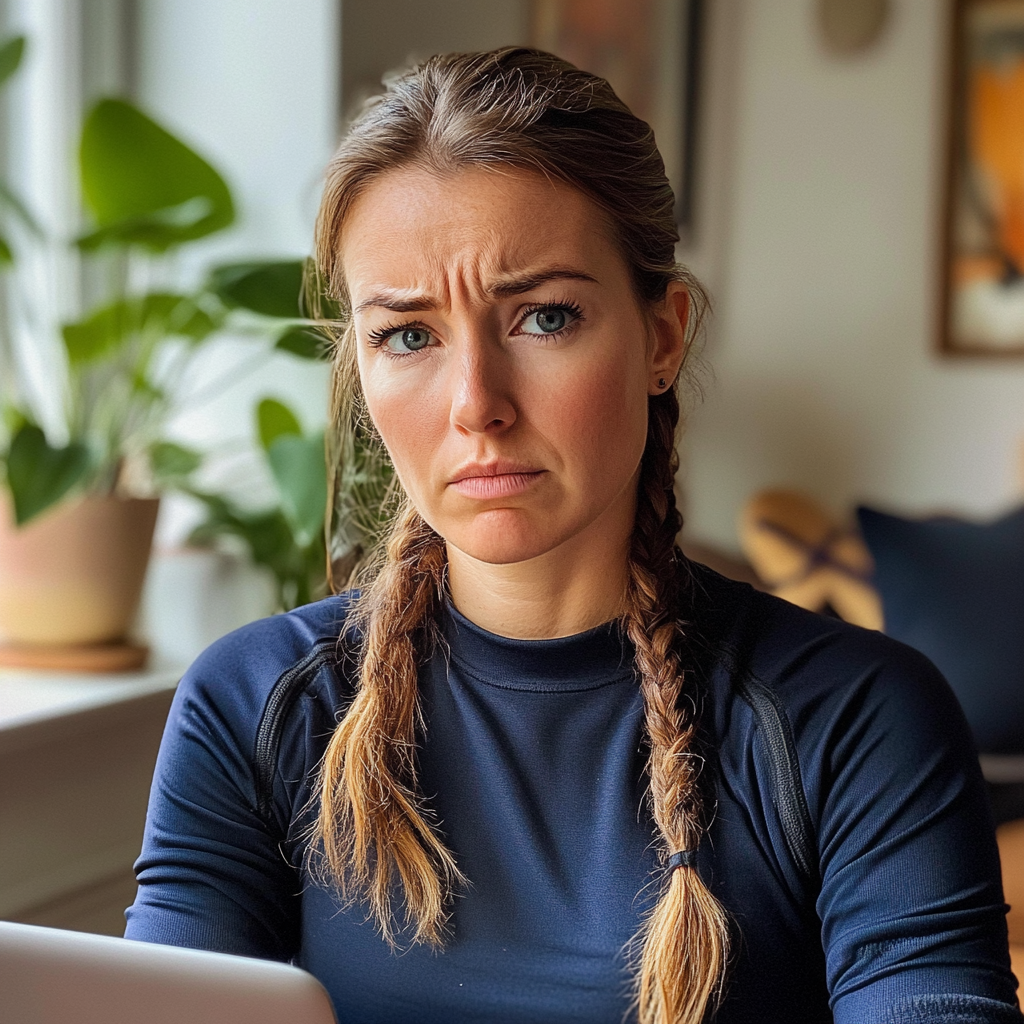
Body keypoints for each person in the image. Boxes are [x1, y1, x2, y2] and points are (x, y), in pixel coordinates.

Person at [125, 47, 1022, 1024]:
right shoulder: (255, 705)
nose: (477, 404)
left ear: (663, 335)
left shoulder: (856, 719)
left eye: (544, 316)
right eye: (407, 335)